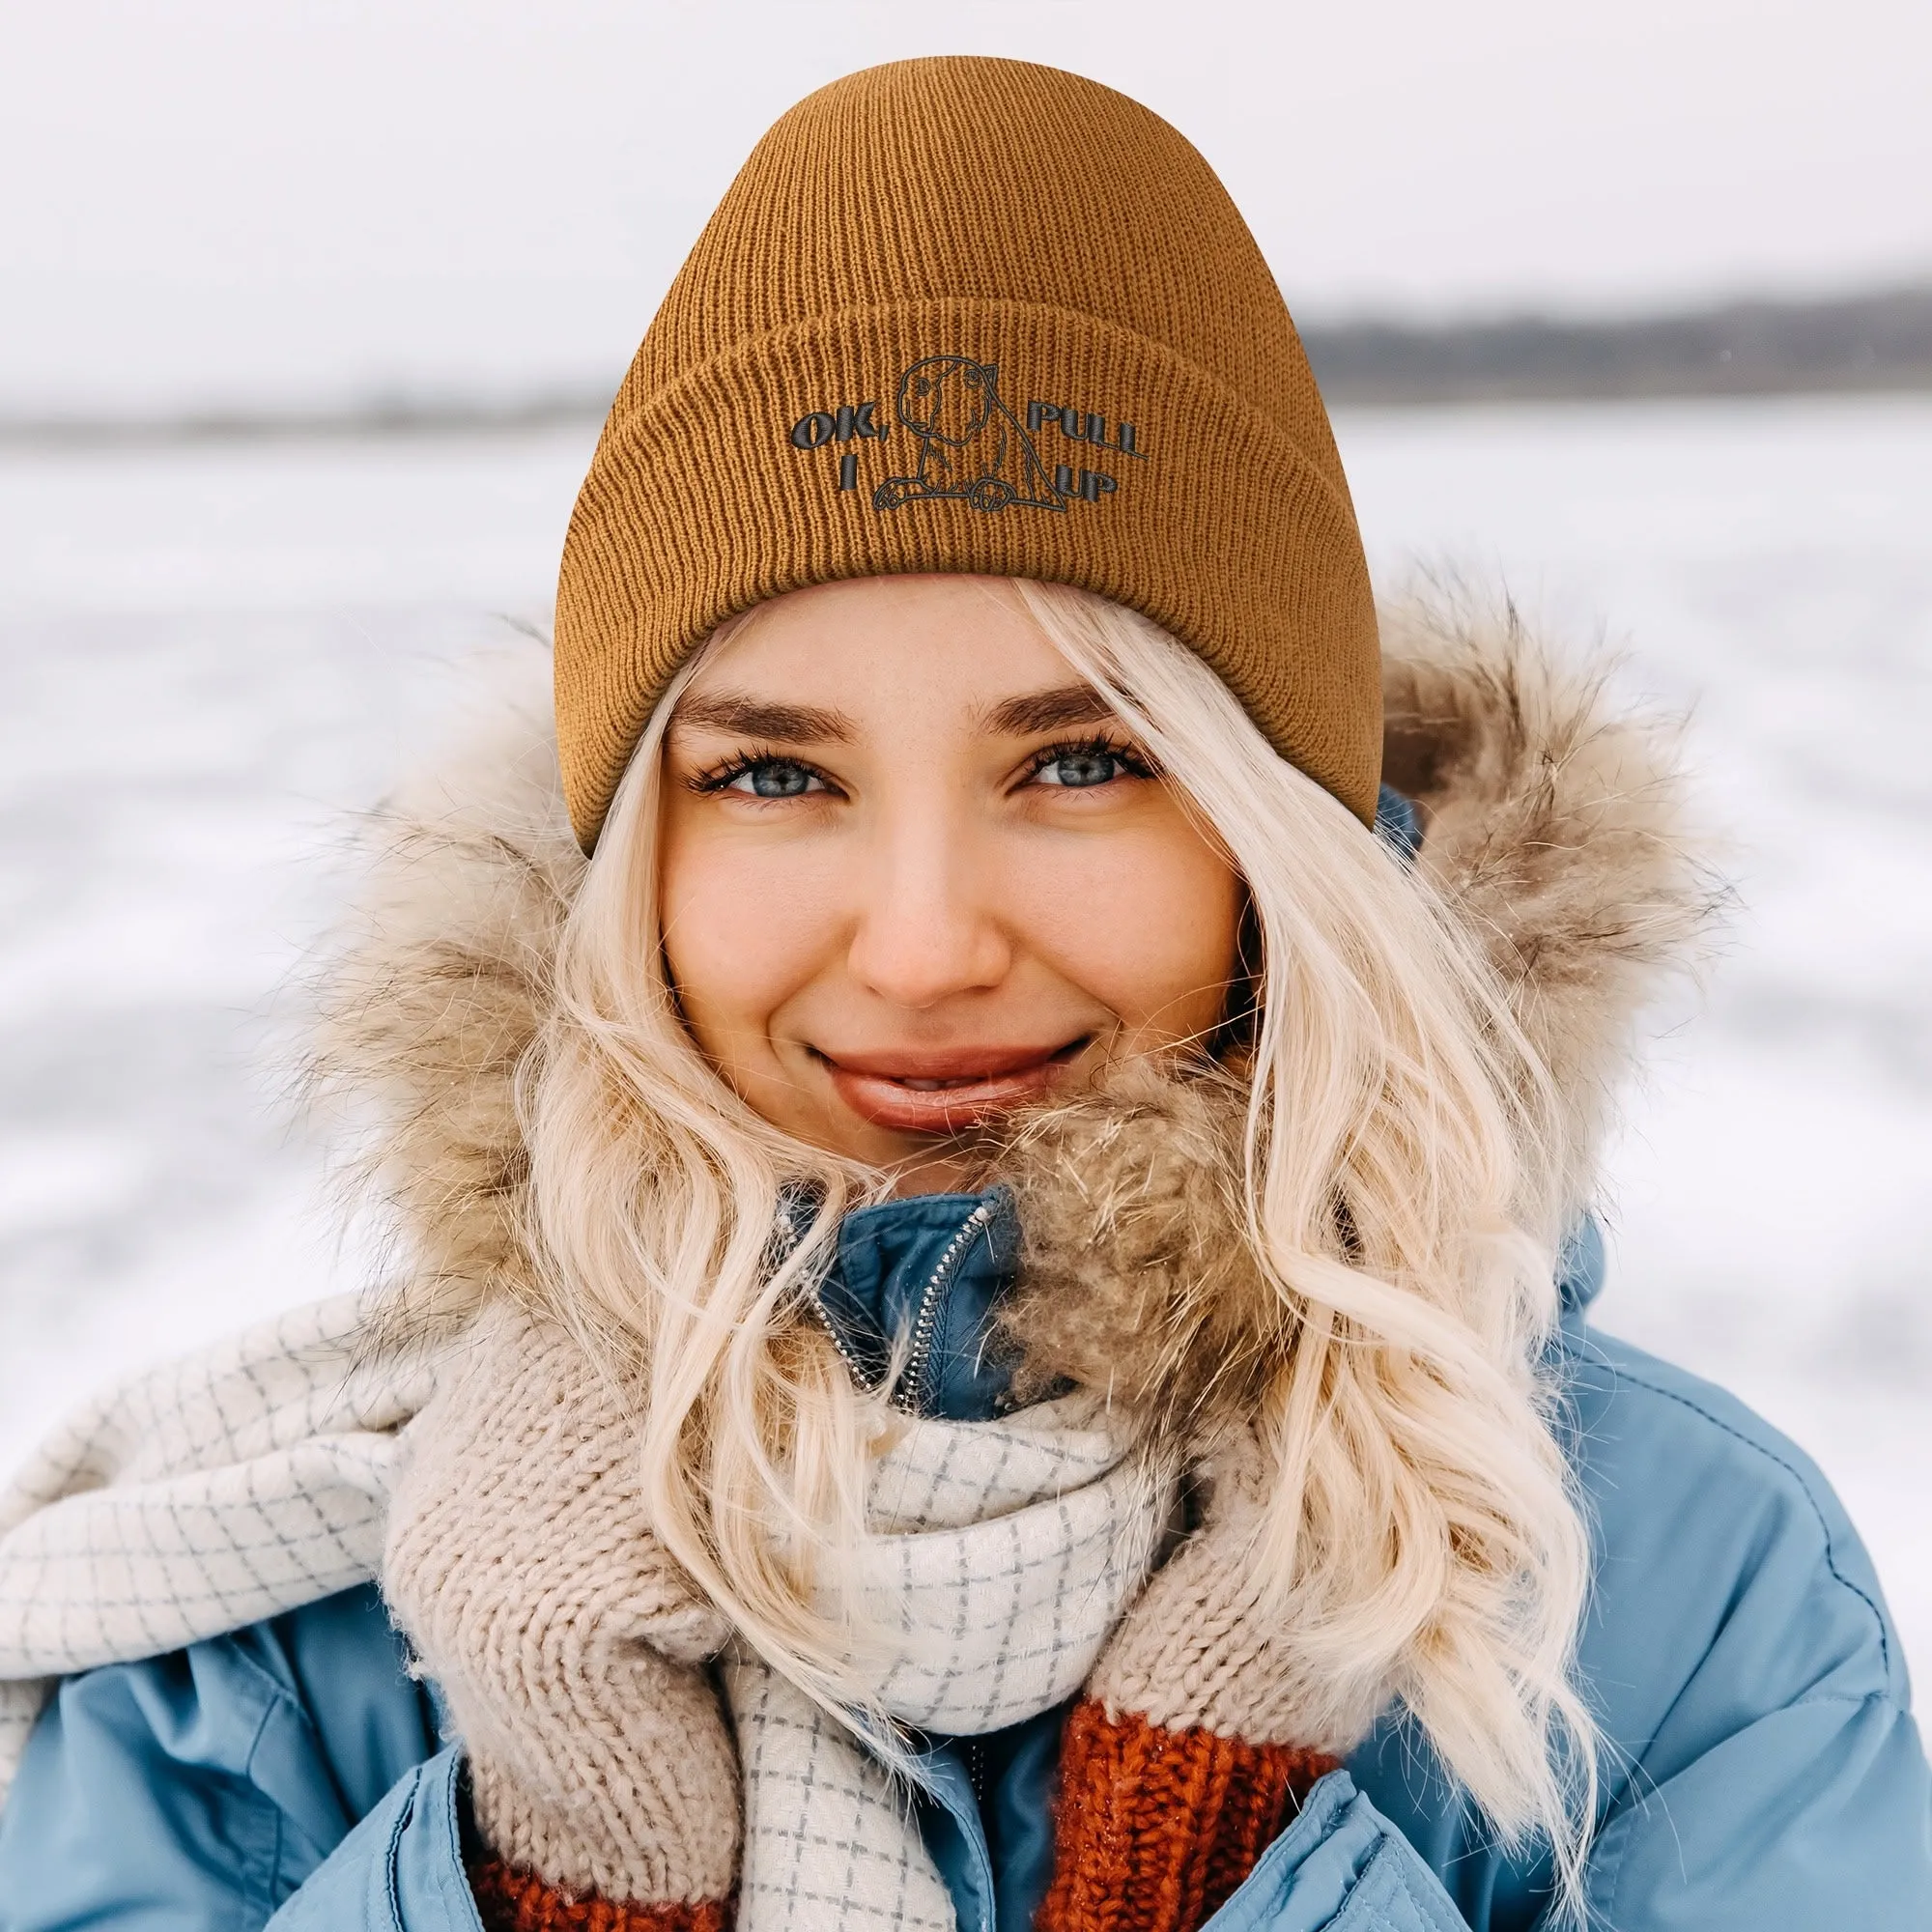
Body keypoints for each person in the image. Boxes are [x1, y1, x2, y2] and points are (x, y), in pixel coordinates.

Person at [0, 55, 1924, 1932]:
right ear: (620, 871)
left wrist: (1205, 1859)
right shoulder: (273, 1632)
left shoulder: (1670, 1602)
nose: (922, 947)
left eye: (1081, 762)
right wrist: (554, 1879)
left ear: (1277, 843)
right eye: (771, 773)